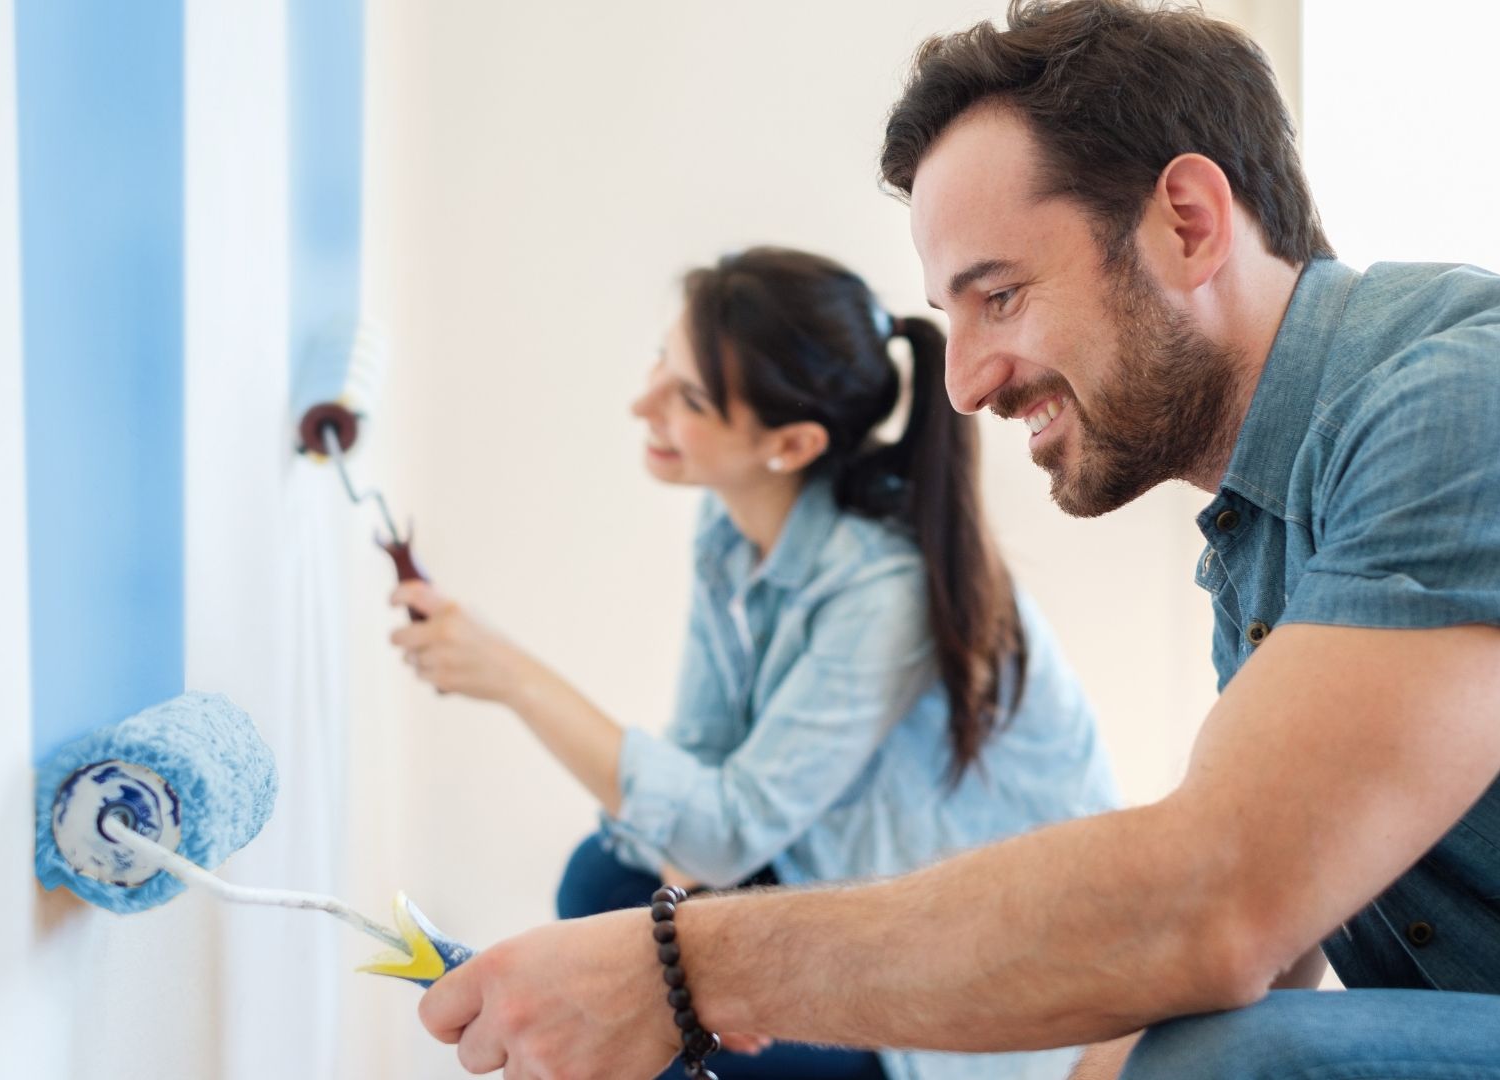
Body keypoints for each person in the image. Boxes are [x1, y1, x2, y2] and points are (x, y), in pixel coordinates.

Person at [410, 3, 1500, 1078]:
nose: (968, 382)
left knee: (1226, 1070)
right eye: (951, 313)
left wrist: (690, 964)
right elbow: (1269, 933)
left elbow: (1217, 904)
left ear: (1188, 222)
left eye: (1000, 296)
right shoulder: (1260, 539)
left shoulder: (1483, 397)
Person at [390, 246, 1119, 1080]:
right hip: (836, 875)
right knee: (606, 885)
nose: (643, 404)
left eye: (689, 397)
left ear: (791, 444)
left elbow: (726, 831)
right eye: (662, 361)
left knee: (638, 973)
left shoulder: (886, 593)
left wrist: (510, 676)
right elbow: (703, 769)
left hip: (955, 988)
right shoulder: (731, 530)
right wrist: (694, 926)